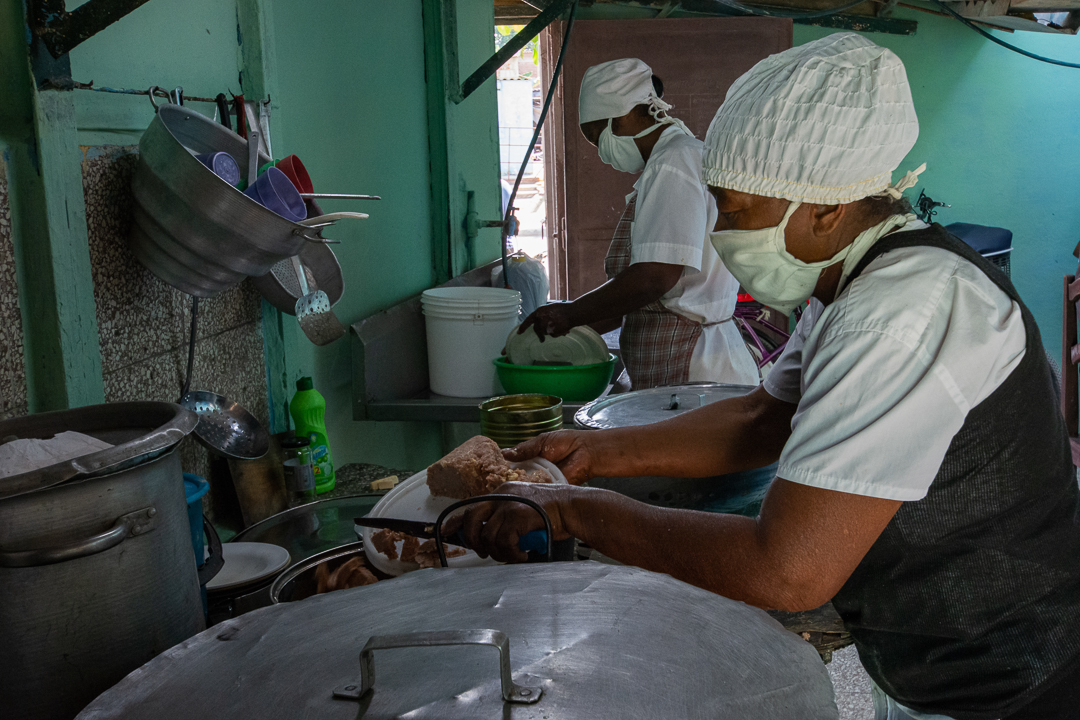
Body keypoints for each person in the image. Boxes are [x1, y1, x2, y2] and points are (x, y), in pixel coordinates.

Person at [451, 34, 1080, 720]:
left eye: (736, 210)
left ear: (824, 209)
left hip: (1013, 676)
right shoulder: (858, 277)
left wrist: (576, 512)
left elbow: (787, 568)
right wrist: (594, 454)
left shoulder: (902, 311)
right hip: (930, 651)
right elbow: (762, 418)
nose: (720, 232)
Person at [520, 58, 759, 389]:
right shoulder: (681, 157)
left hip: (691, 365)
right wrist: (566, 323)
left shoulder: (672, 165)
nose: (601, 151)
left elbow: (655, 277)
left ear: (621, 118)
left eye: (596, 137)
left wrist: (570, 314)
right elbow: (640, 300)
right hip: (688, 357)